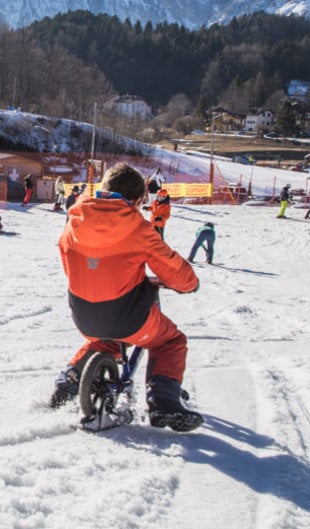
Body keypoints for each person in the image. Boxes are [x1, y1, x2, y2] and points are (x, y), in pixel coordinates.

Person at [50, 162, 202, 432]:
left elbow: (69, 266)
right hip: (129, 316)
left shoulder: (74, 221)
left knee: (104, 342)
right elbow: (172, 268)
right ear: (137, 200)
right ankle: (163, 400)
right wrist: (189, 284)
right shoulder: (138, 228)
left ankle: (68, 382)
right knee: (170, 340)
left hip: (83, 313)